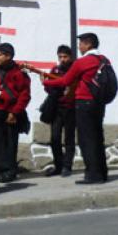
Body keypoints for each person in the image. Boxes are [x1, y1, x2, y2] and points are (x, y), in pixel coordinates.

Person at [42, 33, 109, 184]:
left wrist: (46, 82)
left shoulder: (82, 62)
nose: (79, 46)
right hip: (99, 103)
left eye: (81, 43)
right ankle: (102, 172)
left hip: (83, 104)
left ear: (88, 44)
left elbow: (65, 81)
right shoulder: (104, 60)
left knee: (86, 140)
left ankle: (92, 175)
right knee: (98, 138)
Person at [0, 43, 31, 183]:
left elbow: (24, 95)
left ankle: (10, 171)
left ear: (8, 56)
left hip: (11, 112)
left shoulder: (19, 73)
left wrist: (14, 112)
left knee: (11, 143)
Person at [44, 45, 75, 178]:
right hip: (57, 108)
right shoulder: (55, 70)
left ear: (71, 57)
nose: (62, 59)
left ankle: (67, 166)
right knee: (55, 138)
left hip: (71, 108)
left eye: (65, 57)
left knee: (69, 138)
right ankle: (58, 165)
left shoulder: (75, 69)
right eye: (60, 57)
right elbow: (48, 88)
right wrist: (49, 85)